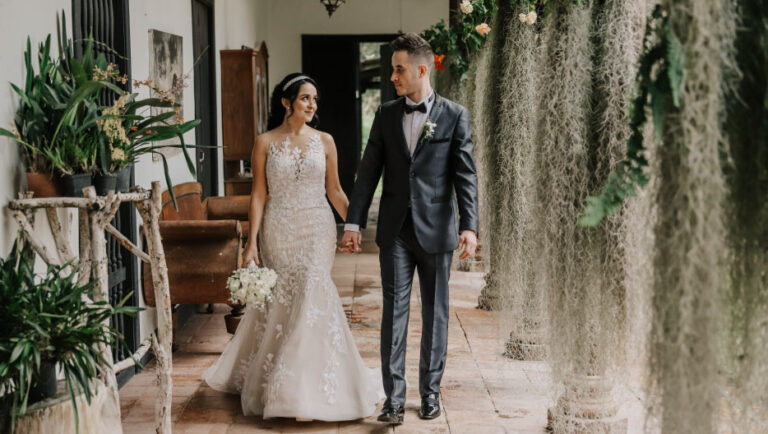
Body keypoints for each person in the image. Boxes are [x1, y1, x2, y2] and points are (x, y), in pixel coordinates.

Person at [204, 73, 383, 422]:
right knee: (284, 300)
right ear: (286, 103)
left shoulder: (326, 141)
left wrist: (353, 226)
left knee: (313, 292)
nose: (312, 105)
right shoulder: (264, 142)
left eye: (315, 99)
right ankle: (282, 384)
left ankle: (304, 391)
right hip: (279, 229)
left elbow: (334, 191)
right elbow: (258, 194)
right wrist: (251, 242)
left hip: (316, 228)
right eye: (305, 98)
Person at [341, 33, 479, 425]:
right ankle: (394, 399)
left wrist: (470, 226)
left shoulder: (455, 116)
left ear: (422, 69)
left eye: (399, 70)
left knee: (436, 313)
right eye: (392, 70)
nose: (393, 78)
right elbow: (368, 173)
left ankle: (431, 393)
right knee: (394, 313)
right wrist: (353, 221)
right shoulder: (385, 114)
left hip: (437, 231)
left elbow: (465, 175)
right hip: (395, 231)